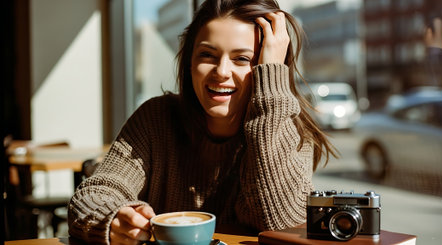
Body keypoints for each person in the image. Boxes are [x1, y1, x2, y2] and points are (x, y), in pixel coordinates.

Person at [68, 0, 337, 244]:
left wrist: (270, 96)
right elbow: (96, 192)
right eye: (207, 55)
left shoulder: (292, 133)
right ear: (189, 62)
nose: (221, 72)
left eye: (242, 59)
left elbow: (283, 223)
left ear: (268, 68)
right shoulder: (156, 118)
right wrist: (112, 219)